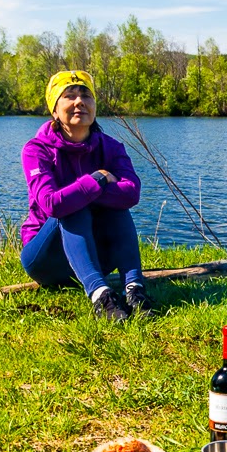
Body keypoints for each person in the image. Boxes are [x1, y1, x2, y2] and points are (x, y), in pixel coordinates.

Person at [19, 70, 153, 321]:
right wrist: (97, 180)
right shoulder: (36, 149)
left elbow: (131, 193)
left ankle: (135, 289)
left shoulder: (111, 147)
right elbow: (51, 204)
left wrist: (80, 192)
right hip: (46, 260)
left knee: (116, 208)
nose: (79, 101)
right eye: (69, 96)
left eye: (86, 95)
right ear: (54, 110)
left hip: (98, 256)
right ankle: (100, 295)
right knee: (73, 208)